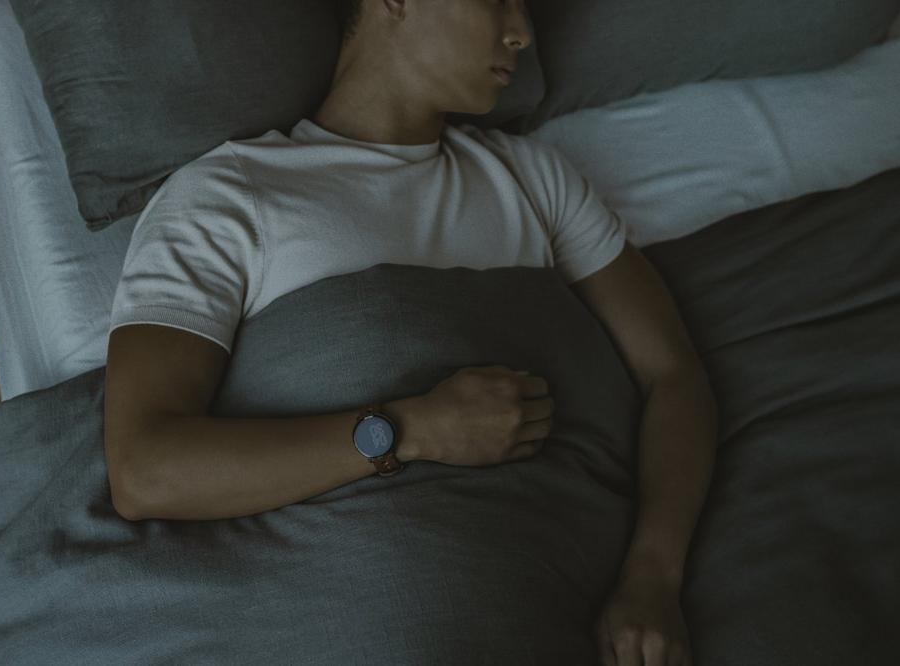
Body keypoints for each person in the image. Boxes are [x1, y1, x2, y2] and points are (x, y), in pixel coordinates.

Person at [105, 4, 715, 663]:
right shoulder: (227, 198)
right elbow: (146, 470)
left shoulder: (534, 180)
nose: (522, 32)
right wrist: (411, 429)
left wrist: (654, 576)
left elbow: (673, 375)